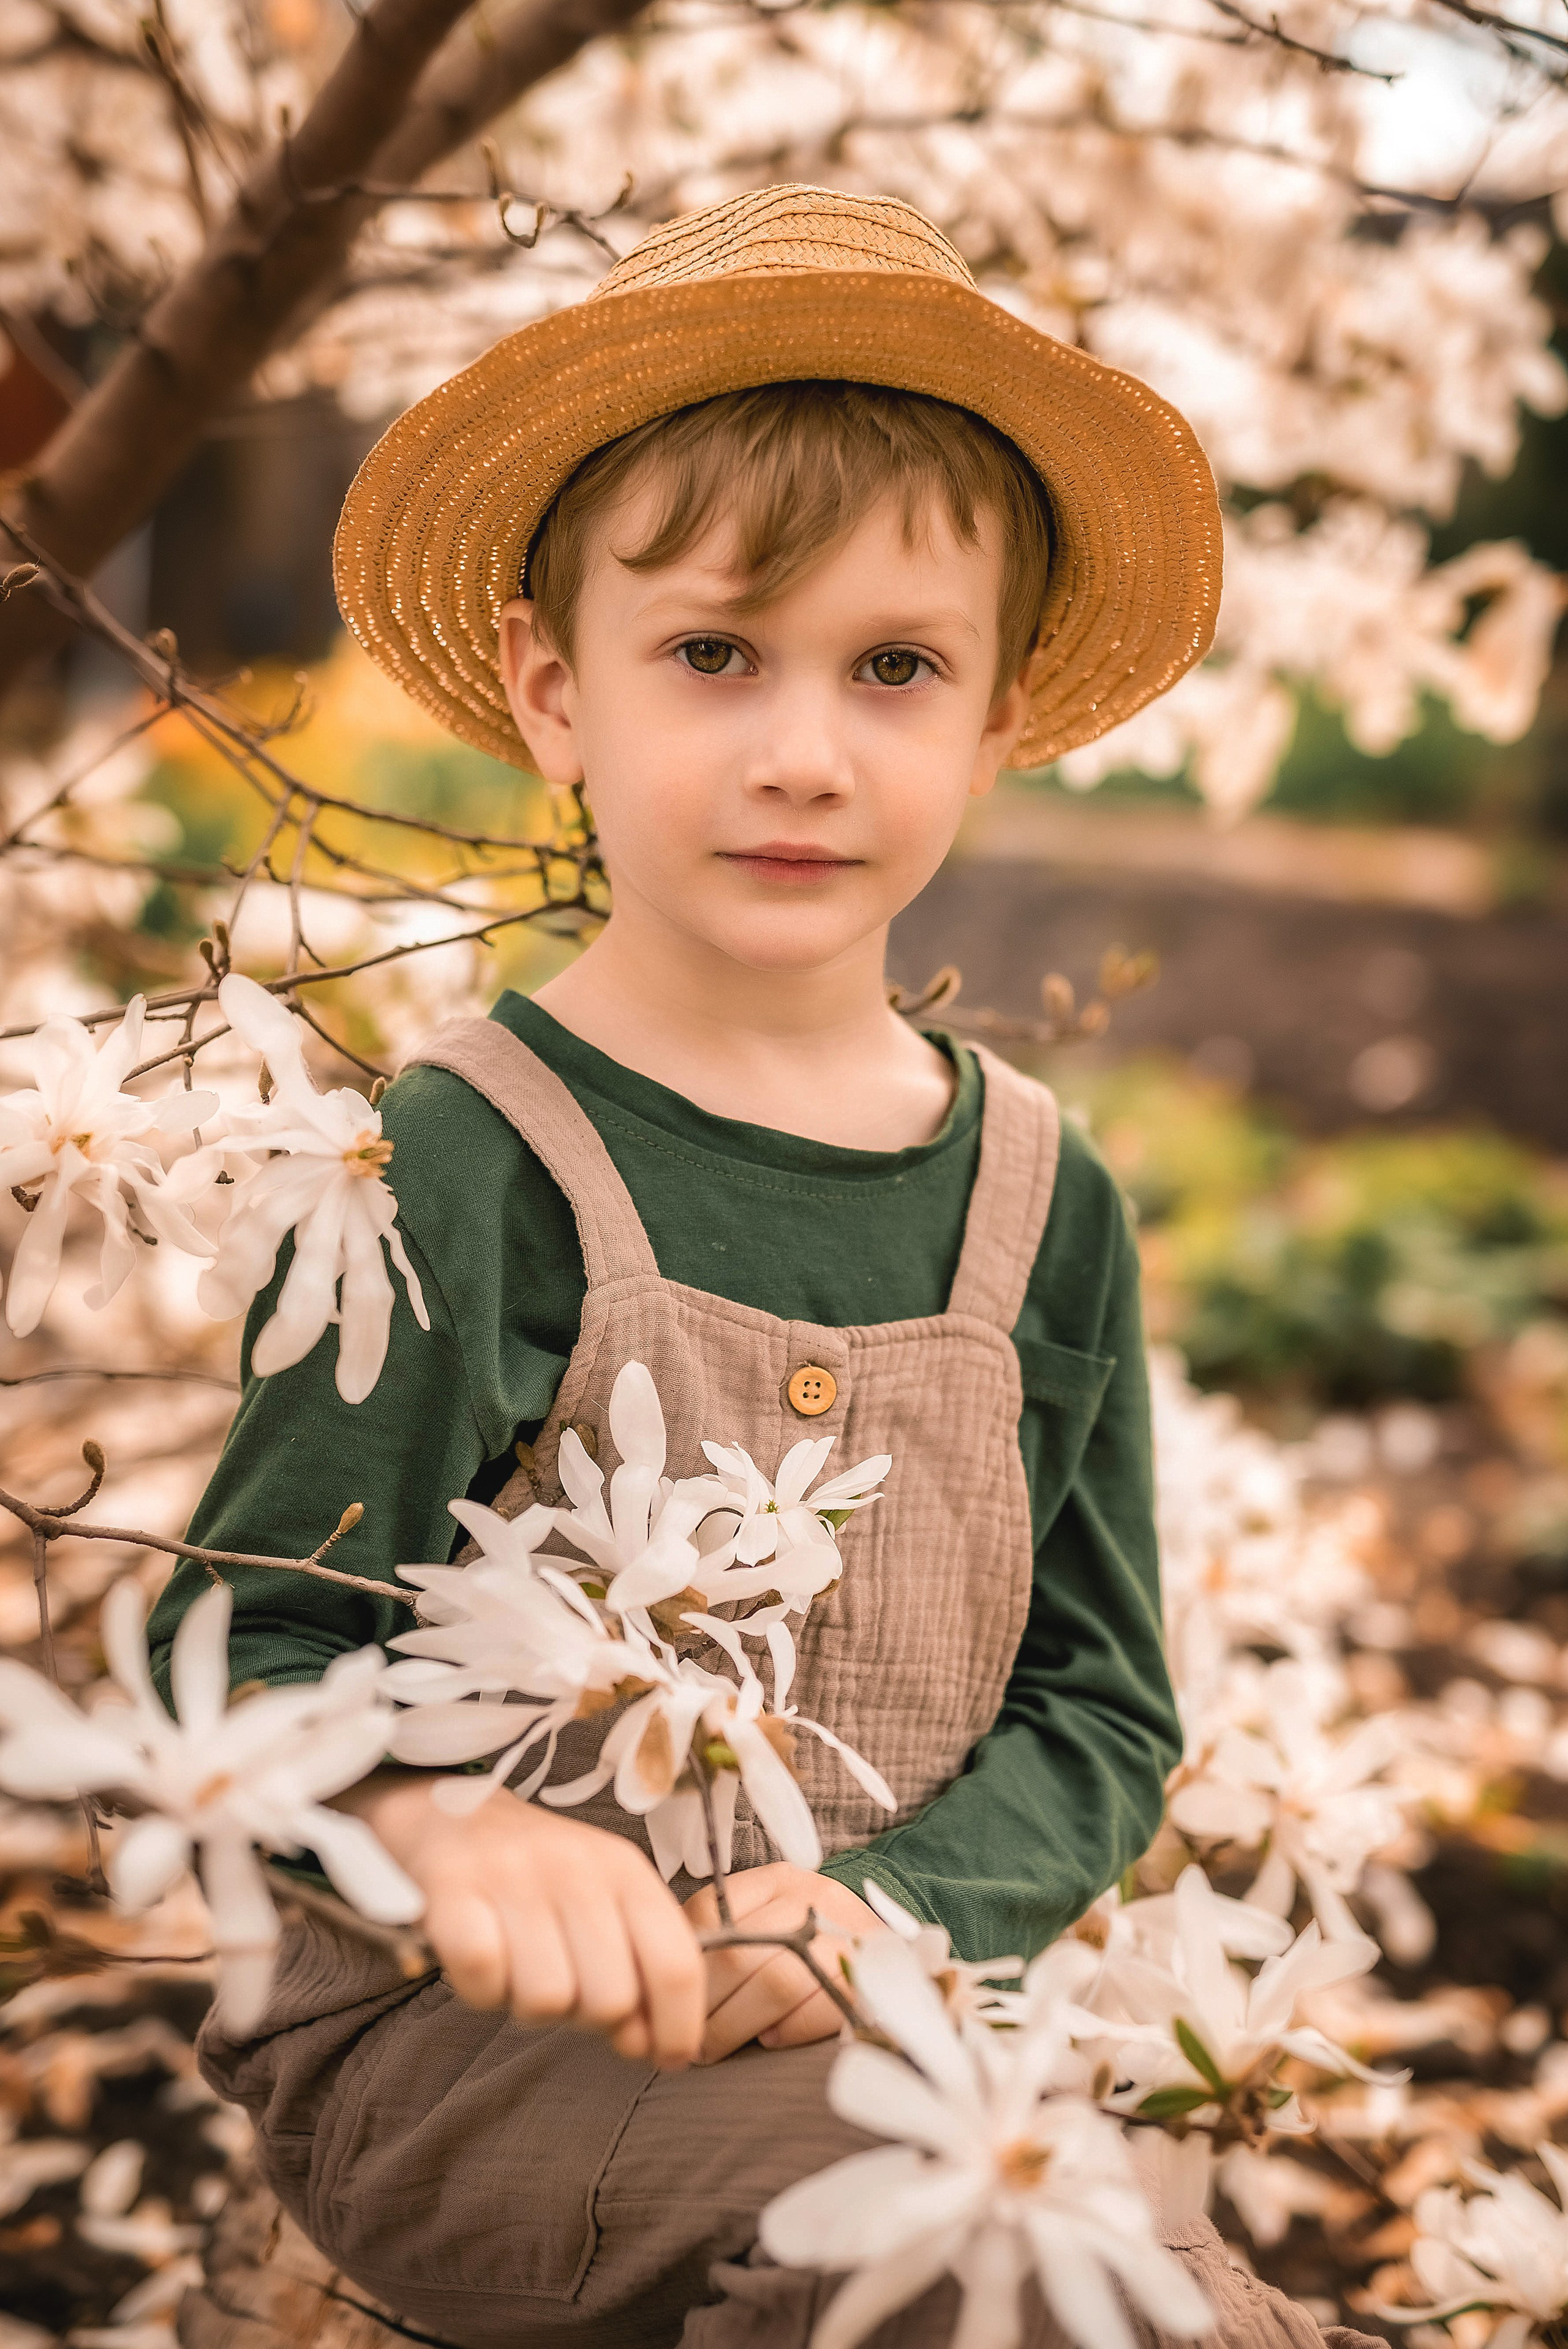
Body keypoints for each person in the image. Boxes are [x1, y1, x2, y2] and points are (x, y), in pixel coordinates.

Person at [152, 185, 1360, 2349]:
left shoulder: (1042, 1197)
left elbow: (1099, 1705)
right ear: (555, 691)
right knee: (1015, 2259)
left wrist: (875, 1910)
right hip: (463, 2060)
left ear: (998, 719)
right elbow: (243, 1634)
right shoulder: (470, 1158)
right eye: (715, 652)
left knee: (1094, 2265)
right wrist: (436, 1822)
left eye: (896, 667)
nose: (805, 750)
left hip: (895, 2019)